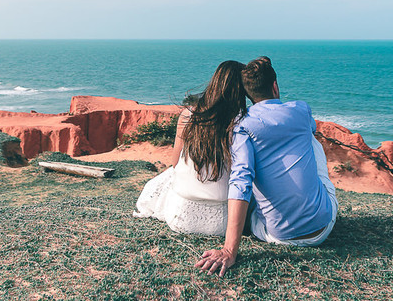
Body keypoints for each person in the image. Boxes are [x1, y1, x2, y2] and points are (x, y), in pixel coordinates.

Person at [195, 56, 337, 276]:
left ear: (248, 94)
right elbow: (311, 129)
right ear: (274, 85)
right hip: (323, 226)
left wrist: (229, 251)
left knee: (247, 173)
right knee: (313, 143)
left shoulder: (242, 127)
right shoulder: (301, 109)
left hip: (277, 235)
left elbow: (240, 181)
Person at [134, 60, 248, 235]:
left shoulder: (189, 114)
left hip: (180, 219)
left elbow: (174, 163)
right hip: (225, 223)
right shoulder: (242, 120)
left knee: (165, 179)